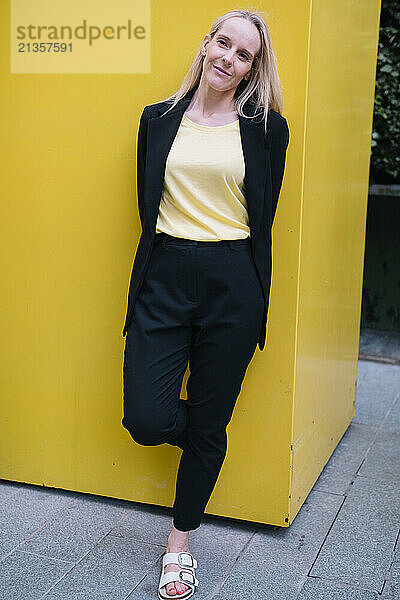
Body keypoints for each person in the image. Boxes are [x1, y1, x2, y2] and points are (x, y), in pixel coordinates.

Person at [122, 9, 290, 599]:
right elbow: (146, 200)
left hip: (232, 280)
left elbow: (262, 215)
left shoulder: (267, 128)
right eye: (224, 43)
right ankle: (206, 436)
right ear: (206, 44)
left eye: (245, 54)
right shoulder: (157, 119)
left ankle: (179, 543)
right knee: (145, 418)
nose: (229, 58)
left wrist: (240, 281)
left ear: (253, 68)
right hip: (165, 273)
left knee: (211, 418)